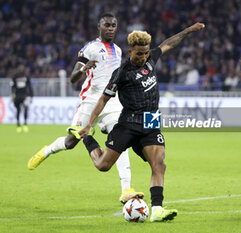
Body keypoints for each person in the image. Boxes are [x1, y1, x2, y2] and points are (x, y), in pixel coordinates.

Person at [78, 22, 205, 222]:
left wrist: (188, 30)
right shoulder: (121, 73)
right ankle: (87, 139)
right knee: (103, 165)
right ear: (130, 51)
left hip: (151, 122)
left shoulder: (151, 59)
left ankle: (156, 210)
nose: (143, 57)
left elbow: (169, 43)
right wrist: (88, 124)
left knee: (159, 164)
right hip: (128, 123)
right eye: (139, 54)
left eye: (145, 53)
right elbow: (103, 99)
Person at [27, 13, 143, 204]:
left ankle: (126, 190)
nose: (110, 28)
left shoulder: (119, 51)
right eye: (107, 25)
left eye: (113, 25)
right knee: (72, 141)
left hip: (111, 101)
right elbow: (73, 77)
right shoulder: (91, 48)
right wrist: (83, 68)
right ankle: (46, 151)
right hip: (90, 100)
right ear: (99, 26)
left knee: (120, 138)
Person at [10, 64, 33, 133]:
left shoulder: (26, 76)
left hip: (24, 96)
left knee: (26, 108)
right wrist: (13, 96)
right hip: (17, 96)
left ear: (23, 69)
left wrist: (31, 95)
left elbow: (29, 86)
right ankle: (18, 125)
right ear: (18, 69)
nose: (21, 69)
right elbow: (12, 87)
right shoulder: (15, 77)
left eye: (22, 68)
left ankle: (25, 124)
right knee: (18, 110)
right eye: (20, 68)